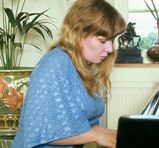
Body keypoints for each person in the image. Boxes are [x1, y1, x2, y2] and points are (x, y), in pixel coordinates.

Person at [11, 0, 126, 147]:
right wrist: (97, 135)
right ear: (77, 34)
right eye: (102, 41)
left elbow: (84, 124)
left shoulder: (82, 66)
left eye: (112, 40)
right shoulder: (55, 63)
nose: (110, 49)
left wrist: (120, 133)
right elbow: (44, 132)